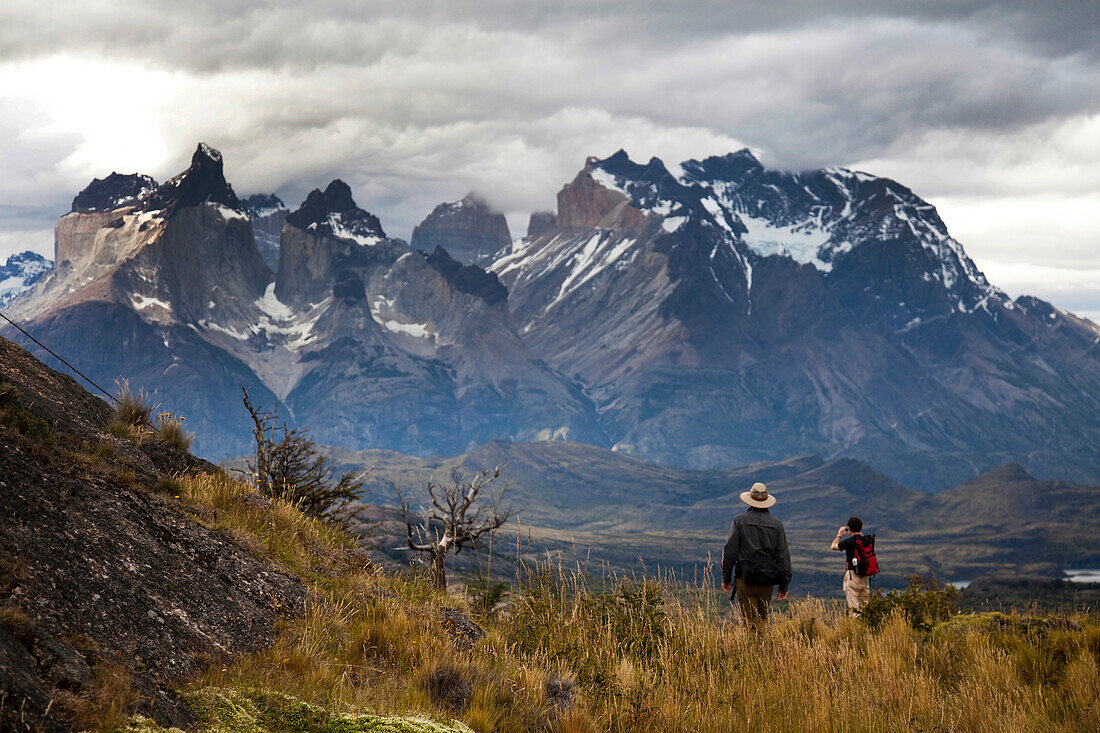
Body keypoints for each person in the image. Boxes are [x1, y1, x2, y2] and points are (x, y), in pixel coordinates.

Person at [721, 482, 792, 630]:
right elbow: (783, 556)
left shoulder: (739, 521)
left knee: (750, 621)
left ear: (750, 499)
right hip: (768, 580)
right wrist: (784, 584)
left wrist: (726, 578)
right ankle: (762, 649)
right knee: (762, 618)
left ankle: (754, 650)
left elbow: (730, 551)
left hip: (745, 579)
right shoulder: (777, 524)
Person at [831, 516, 871, 612]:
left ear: (849, 529)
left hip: (853, 576)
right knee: (865, 607)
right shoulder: (868, 540)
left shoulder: (849, 542)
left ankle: (856, 626)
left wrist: (839, 535)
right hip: (865, 576)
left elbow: (833, 546)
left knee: (854, 608)